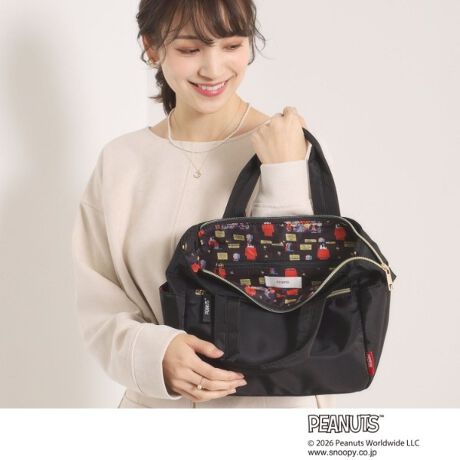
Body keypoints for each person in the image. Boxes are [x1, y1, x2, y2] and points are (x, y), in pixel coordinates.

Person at [71, 0, 336, 409]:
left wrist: (283, 176)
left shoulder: (283, 145)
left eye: (231, 46)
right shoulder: (121, 161)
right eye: (190, 49)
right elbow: (98, 302)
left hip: (271, 416)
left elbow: (302, 291)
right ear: (152, 47)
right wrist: (156, 355)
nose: (213, 69)